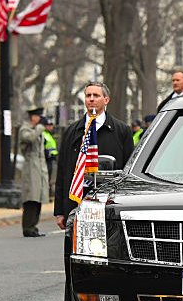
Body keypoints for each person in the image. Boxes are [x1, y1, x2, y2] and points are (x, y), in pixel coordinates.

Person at [55, 82, 134, 229]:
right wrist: (59, 210)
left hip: (109, 202)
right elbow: (62, 171)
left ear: (106, 100)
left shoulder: (122, 131)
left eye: (96, 95)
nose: (91, 99)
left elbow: (128, 170)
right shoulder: (72, 131)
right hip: (77, 199)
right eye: (88, 95)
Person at [19, 107, 50, 237]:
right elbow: (29, 138)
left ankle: (34, 226)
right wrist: (40, 128)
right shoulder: (25, 128)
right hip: (31, 167)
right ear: (33, 117)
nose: (40, 119)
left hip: (40, 167)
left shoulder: (38, 129)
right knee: (31, 198)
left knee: (38, 198)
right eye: (38, 116)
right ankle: (28, 227)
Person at [42, 117, 58, 193]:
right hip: (46, 159)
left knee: (51, 177)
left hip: (52, 159)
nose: (50, 127)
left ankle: (49, 192)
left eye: (51, 125)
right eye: (48, 125)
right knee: (47, 178)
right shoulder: (44, 135)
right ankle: (47, 193)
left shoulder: (49, 135)